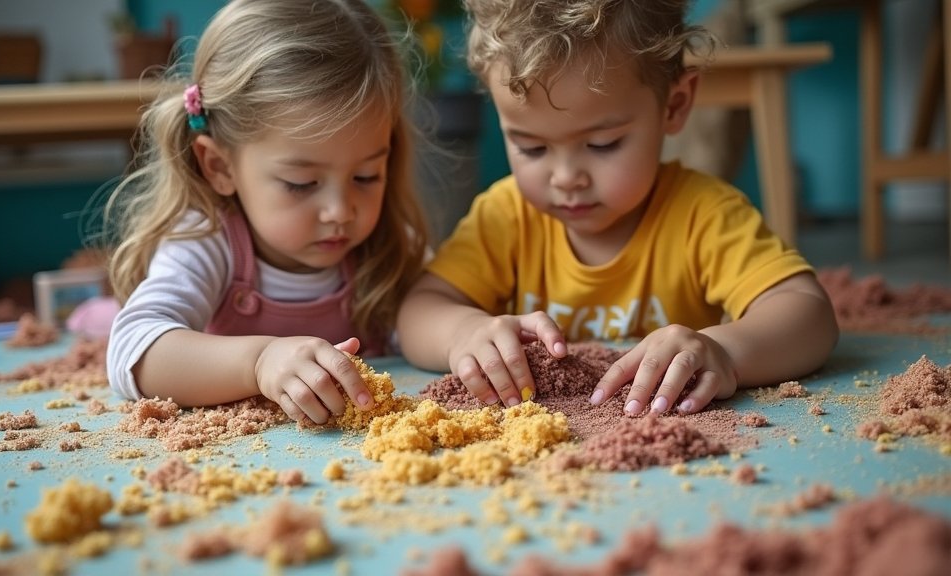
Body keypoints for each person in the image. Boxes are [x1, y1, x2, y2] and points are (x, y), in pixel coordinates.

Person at [396, 0, 839, 417]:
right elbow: (421, 309)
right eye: (530, 147)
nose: (566, 177)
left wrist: (724, 350)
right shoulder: (504, 217)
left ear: (675, 105)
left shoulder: (702, 214)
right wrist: (463, 333)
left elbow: (807, 313)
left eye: (602, 144)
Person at [104, 0, 429, 424]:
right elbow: (134, 350)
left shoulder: (387, 243)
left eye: (366, 176)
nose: (340, 211)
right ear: (220, 166)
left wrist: (465, 331)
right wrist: (259, 362)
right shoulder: (207, 240)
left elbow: (433, 316)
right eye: (301, 183)